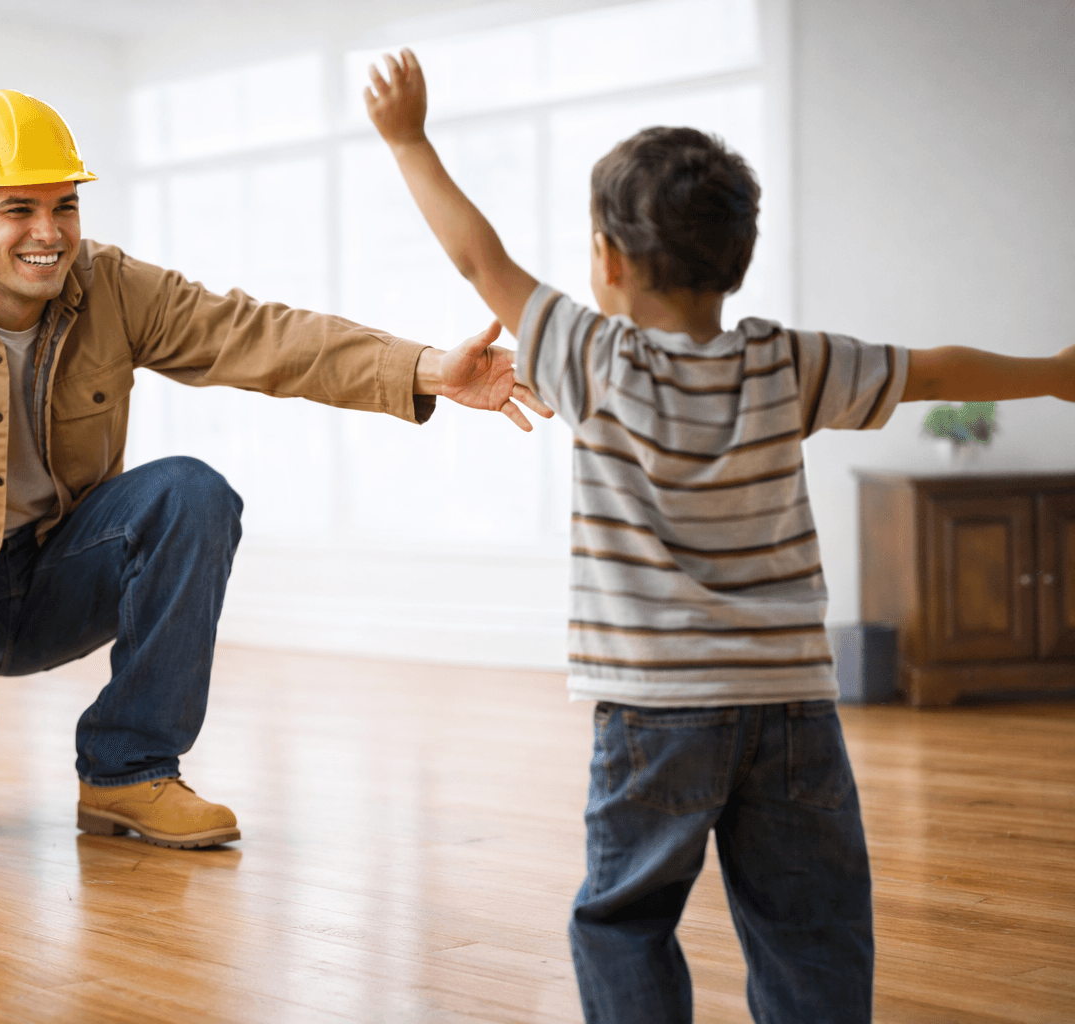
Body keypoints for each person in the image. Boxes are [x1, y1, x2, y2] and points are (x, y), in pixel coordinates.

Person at [364, 49, 1075, 1023]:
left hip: (654, 711)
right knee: (812, 922)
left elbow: (476, 257)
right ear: (734, 259)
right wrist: (1055, 370)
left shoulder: (590, 356)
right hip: (791, 705)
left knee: (627, 919)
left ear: (607, 263)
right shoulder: (786, 362)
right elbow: (933, 371)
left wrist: (407, 138)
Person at [0, 89, 552, 849]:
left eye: (65, 207)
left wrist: (428, 367)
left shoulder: (113, 288)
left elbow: (261, 335)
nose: (49, 234)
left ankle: (128, 773)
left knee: (191, 493)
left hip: (59, 576)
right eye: (19, 209)